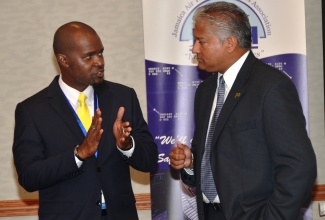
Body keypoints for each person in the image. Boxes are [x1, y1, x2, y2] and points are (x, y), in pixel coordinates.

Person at [169, 2, 317, 220]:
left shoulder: (270, 87)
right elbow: (220, 158)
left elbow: (299, 167)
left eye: (201, 41)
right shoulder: (205, 91)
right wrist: (192, 164)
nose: (194, 49)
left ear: (229, 43)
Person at [13, 21, 158, 220]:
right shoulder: (32, 110)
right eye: (89, 56)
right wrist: (78, 154)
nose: (100, 62)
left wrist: (128, 145)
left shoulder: (122, 97)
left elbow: (150, 160)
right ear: (64, 60)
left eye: (100, 53)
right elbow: (28, 176)